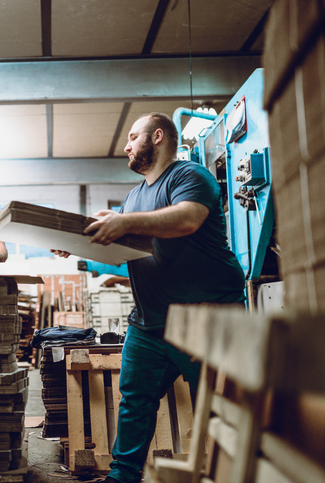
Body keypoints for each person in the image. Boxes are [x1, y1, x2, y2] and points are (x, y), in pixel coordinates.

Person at [54, 112, 244, 483]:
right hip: (150, 322)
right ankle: (123, 476)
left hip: (207, 315)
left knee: (224, 407)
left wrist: (123, 222)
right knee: (135, 403)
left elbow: (187, 219)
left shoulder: (189, 176)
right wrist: (78, 248)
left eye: (132, 136)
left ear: (157, 137)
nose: (125, 145)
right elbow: (134, 258)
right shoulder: (134, 197)